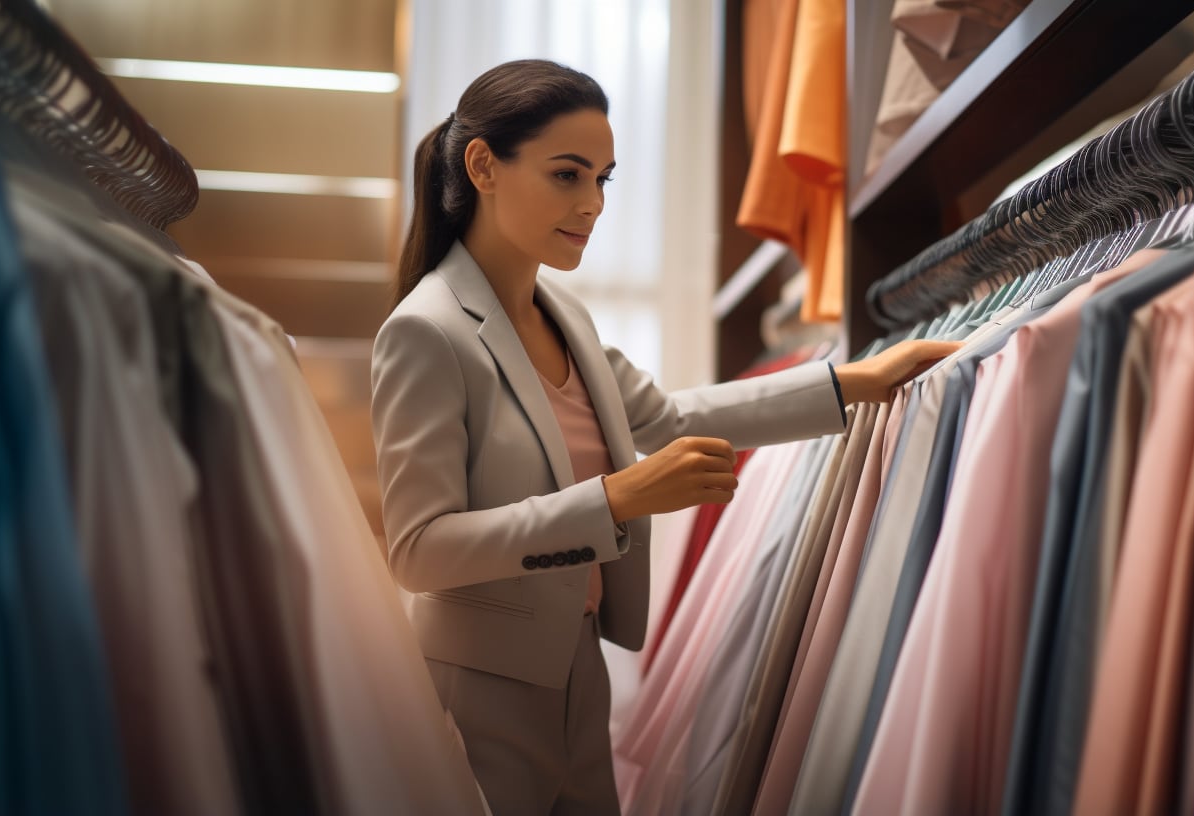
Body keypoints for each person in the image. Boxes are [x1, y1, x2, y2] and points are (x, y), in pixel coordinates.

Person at [370, 58, 957, 815]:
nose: (592, 204)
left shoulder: (562, 316)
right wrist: (614, 498)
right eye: (567, 175)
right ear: (483, 165)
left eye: (603, 180)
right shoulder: (425, 332)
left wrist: (854, 382)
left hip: (577, 663)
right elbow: (419, 550)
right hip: (481, 683)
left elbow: (669, 417)